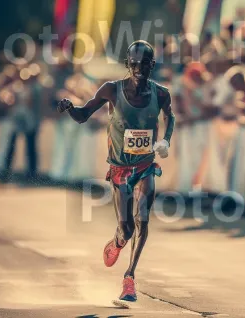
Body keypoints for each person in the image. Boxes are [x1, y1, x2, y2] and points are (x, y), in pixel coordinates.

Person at [57, 41, 175, 302]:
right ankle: (118, 241)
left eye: (144, 64)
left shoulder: (162, 93)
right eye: (133, 64)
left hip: (145, 166)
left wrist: (165, 140)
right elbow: (83, 115)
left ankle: (129, 278)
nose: (138, 69)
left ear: (152, 65)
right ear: (127, 65)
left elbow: (170, 116)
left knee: (143, 219)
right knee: (127, 228)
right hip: (120, 168)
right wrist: (69, 108)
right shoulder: (111, 90)